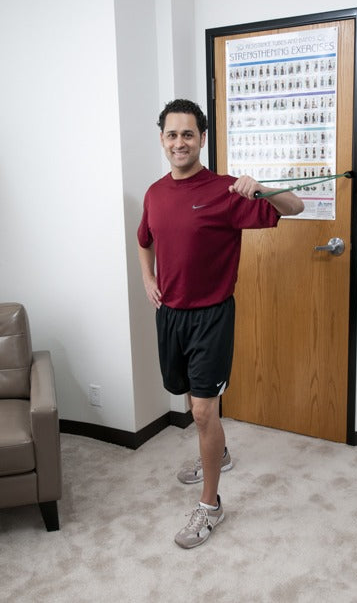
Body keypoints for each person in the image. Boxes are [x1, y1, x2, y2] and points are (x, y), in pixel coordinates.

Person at [137, 99, 304, 549]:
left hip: (211, 315)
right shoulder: (154, 193)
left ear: (202, 139)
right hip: (170, 315)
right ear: (162, 139)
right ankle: (221, 454)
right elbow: (144, 241)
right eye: (171, 134)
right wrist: (148, 278)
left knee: (203, 411)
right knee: (191, 396)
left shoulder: (227, 191)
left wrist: (262, 187)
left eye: (188, 134)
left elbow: (296, 207)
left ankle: (211, 506)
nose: (179, 142)